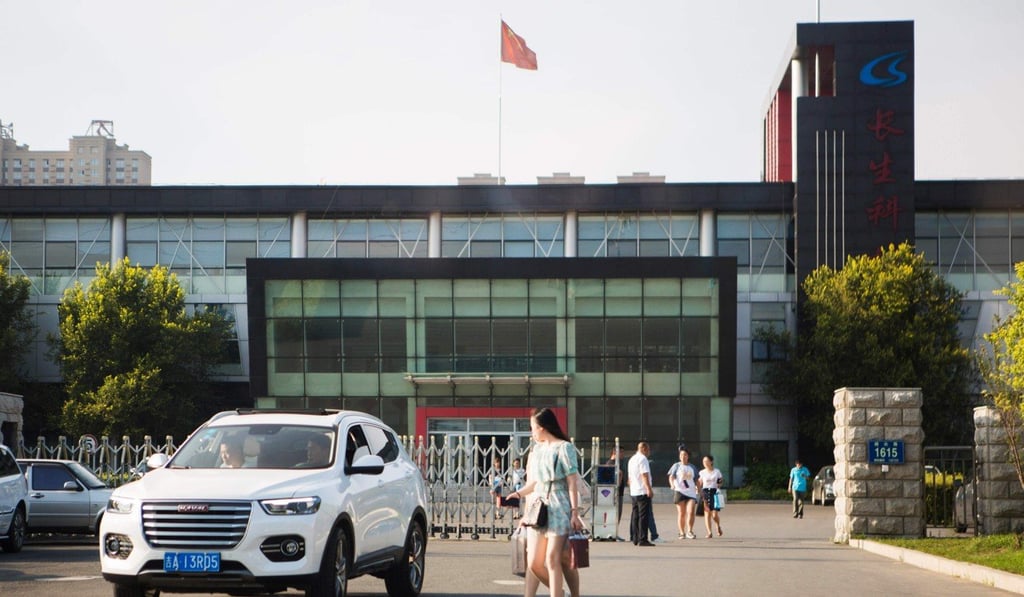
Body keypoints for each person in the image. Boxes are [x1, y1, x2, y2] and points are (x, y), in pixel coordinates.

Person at [505, 408, 585, 597]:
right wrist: (517, 493)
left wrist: (575, 512)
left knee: (552, 558)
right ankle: (561, 592)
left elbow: (572, 482)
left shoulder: (564, 448)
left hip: (559, 504)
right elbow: (535, 482)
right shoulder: (537, 450)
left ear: (541, 427)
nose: (531, 431)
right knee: (533, 562)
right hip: (539, 507)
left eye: (532, 427)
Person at [667, 447, 699, 539]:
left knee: (691, 511)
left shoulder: (692, 467)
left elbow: (696, 480)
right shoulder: (676, 466)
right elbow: (671, 477)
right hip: (680, 491)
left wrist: (699, 490)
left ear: (688, 456)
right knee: (681, 513)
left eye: (685, 454)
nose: (683, 456)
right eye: (681, 455)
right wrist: (672, 485)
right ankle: (681, 532)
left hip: (691, 492)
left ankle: (690, 531)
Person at [628, 442, 655, 547]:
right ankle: (643, 539)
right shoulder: (643, 459)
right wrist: (649, 489)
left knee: (635, 515)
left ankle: (635, 538)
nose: (649, 452)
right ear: (643, 449)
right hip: (642, 490)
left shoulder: (632, 459)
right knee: (643, 516)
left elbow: (630, 477)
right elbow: (644, 475)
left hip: (634, 491)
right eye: (648, 449)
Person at [697, 454, 724, 538]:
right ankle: (709, 532)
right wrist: (697, 489)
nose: (704, 463)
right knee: (707, 513)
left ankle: (718, 526)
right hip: (705, 492)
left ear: (711, 462)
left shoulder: (717, 471)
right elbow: (700, 482)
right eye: (703, 461)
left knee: (714, 514)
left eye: (706, 461)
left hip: (715, 492)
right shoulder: (702, 472)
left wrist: (719, 484)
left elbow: (720, 481)